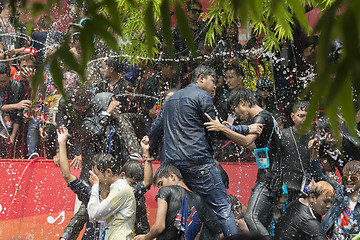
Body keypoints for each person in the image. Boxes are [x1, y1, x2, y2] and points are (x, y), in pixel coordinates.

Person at [149, 65, 262, 237]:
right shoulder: (203, 95)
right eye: (213, 81)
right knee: (223, 207)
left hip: (174, 168)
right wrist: (245, 129)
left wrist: (149, 151)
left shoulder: (169, 100)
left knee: (183, 212)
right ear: (201, 78)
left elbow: (154, 132)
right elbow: (215, 131)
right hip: (198, 163)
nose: (215, 86)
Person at [204, 88, 282, 239]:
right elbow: (253, 146)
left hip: (268, 178)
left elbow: (247, 141)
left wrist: (223, 128)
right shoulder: (268, 117)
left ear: (242, 102)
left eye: (235, 110)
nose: (236, 115)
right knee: (263, 223)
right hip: (275, 178)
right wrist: (229, 130)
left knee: (251, 218)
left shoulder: (261, 118)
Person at [57, 130, 153, 239]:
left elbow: (146, 183)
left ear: (108, 172)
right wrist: (61, 144)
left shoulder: (124, 192)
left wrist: (146, 153)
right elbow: (67, 175)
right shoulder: (92, 194)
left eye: (96, 173)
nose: (91, 176)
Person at [134, 163, 221, 240]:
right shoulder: (199, 199)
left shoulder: (166, 191)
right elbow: (198, 234)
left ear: (172, 176)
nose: (160, 188)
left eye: (161, 183)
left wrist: (146, 237)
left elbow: (159, 227)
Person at [310, 136, 360, 239]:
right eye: (345, 177)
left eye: (354, 178)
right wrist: (315, 153)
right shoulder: (339, 190)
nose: (349, 180)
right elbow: (318, 175)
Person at [281, 101, 314, 203]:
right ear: (292, 116)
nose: (305, 120)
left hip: (310, 191)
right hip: (287, 190)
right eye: (301, 116)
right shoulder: (283, 135)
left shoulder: (316, 138)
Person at [0, 61, 28, 158]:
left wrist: (13, 135)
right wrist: (16, 105)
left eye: (3, 81)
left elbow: (19, 114)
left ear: (10, 76)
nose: (1, 84)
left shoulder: (18, 87)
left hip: (11, 122)